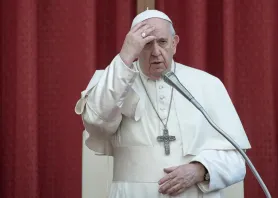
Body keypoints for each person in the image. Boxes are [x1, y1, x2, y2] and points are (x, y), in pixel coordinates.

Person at [75, 9, 251, 198]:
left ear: (174, 43)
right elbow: (96, 122)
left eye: (162, 42)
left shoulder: (208, 84)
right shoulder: (112, 82)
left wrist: (200, 170)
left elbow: (237, 160)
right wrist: (125, 56)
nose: (156, 52)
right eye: (147, 44)